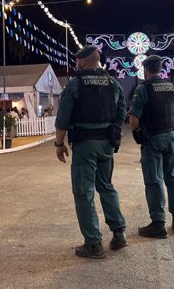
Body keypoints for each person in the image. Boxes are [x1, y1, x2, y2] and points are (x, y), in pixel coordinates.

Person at [55, 45, 127, 259]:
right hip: (106, 144)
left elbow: (63, 118)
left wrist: (59, 144)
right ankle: (119, 233)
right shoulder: (114, 84)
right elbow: (121, 111)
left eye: (77, 60)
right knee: (106, 186)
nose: (76, 63)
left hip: (85, 145)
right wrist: (112, 133)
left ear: (83, 62)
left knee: (84, 192)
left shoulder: (75, 85)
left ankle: (93, 244)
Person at [129, 55, 174, 238]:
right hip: (171, 137)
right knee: (173, 179)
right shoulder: (173, 87)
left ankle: (158, 224)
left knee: (154, 181)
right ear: (161, 69)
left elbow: (134, 118)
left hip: (153, 139)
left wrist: (138, 135)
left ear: (146, 70)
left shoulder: (143, 88)